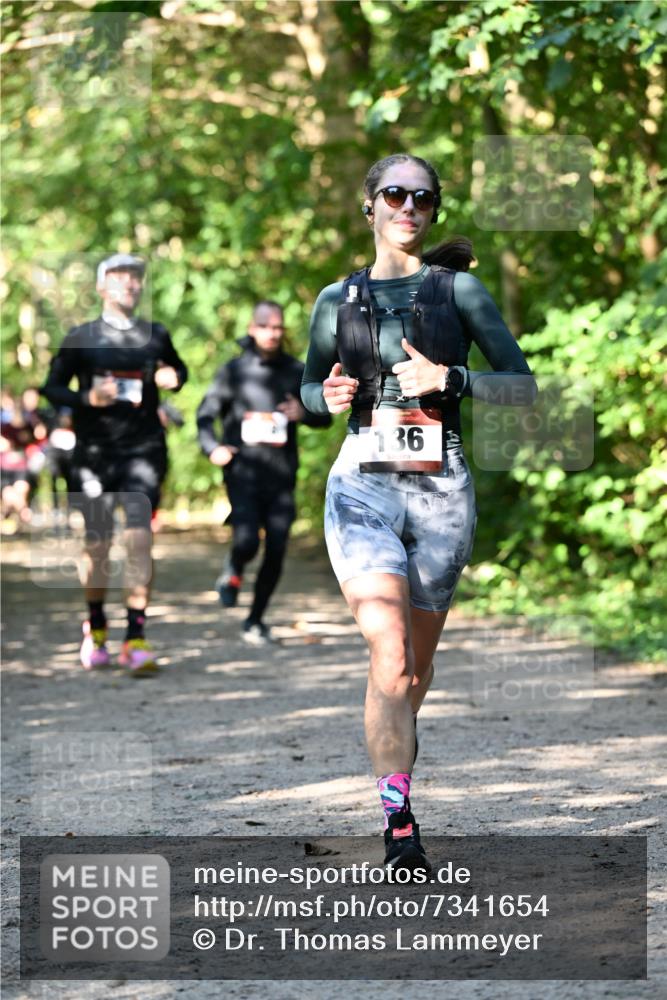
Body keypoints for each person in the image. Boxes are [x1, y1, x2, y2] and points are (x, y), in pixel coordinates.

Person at [301, 153, 537, 874]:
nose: (409, 206)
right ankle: (398, 825)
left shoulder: (458, 291)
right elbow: (308, 392)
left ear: (433, 210)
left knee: (413, 674)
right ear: (369, 205)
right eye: (395, 194)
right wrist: (324, 399)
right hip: (362, 484)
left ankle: (395, 760)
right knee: (391, 654)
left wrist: (451, 377)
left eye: (423, 198)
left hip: (441, 488)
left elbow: (521, 387)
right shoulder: (335, 299)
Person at [41, 253, 188, 672]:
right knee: (98, 544)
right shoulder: (80, 337)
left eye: (136, 277)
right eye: (120, 277)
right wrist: (86, 398)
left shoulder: (156, 335)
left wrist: (174, 377)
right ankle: (97, 627)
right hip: (94, 455)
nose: (130, 284)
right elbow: (52, 388)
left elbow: (179, 371)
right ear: (101, 287)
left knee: (140, 540)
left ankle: (136, 638)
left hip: (144, 451)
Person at [197, 301, 331, 645]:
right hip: (241, 471)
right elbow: (205, 414)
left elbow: (324, 416)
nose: (272, 333)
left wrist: (303, 412)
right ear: (252, 329)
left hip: (281, 476)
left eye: (277, 327)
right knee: (246, 541)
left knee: (277, 548)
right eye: (265, 326)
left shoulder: (297, 370)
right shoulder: (233, 371)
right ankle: (234, 568)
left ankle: (255, 619)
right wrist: (212, 448)